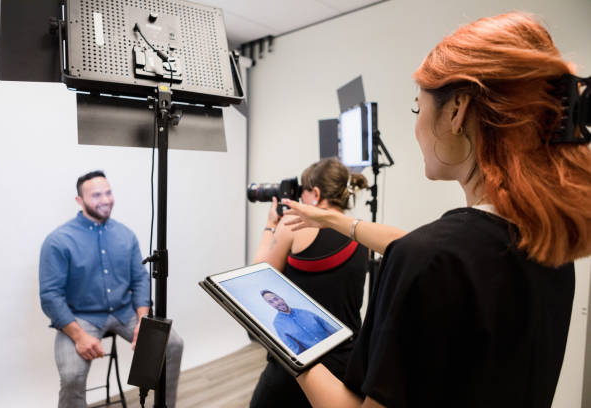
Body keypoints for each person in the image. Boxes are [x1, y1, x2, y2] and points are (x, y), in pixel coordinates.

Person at [279, 12, 591, 408]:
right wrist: (330, 218)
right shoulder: (550, 244)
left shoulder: (431, 259)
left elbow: (422, 256)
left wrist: (294, 348)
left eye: (416, 108)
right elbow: (429, 253)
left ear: (457, 110)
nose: (416, 125)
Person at [39, 170, 184, 408]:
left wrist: (143, 321)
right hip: (80, 318)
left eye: (108, 192)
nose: (105, 200)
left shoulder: (125, 235)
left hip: (124, 311)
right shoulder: (58, 240)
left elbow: (139, 279)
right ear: (80, 200)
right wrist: (79, 336)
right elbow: (50, 296)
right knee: (72, 376)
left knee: (173, 345)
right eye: (96, 195)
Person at [250, 157, 374, 408]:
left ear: (315, 193)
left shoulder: (293, 225)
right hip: (346, 365)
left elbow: (259, 275)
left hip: (298, 368)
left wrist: (270, 225)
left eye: (303, 194)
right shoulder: (363, 236)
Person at [260, 289, 338, 354]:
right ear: (270, 305)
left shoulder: (306, 312)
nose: (276, 303)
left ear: (281, 298)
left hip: (336, 346)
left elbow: (331, 329)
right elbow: (295, 350)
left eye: (276, 299)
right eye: (271, 302)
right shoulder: (278, 324)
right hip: (317, 356)